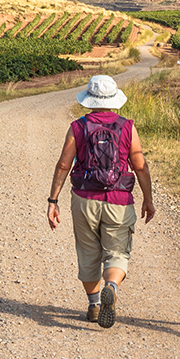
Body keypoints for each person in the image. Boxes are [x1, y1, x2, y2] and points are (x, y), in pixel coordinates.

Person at [47, 75, 156, 328]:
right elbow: (140, 166)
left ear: (90, 100)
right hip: (119, 200)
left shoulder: (78, 127)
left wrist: (53, 200)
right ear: (114, 100)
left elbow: (64, 164)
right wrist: (148, 200)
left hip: (85, 199)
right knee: (117, 252)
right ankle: (111, 286)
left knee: (88, 253)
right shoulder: (127, 126)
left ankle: (94, 304)